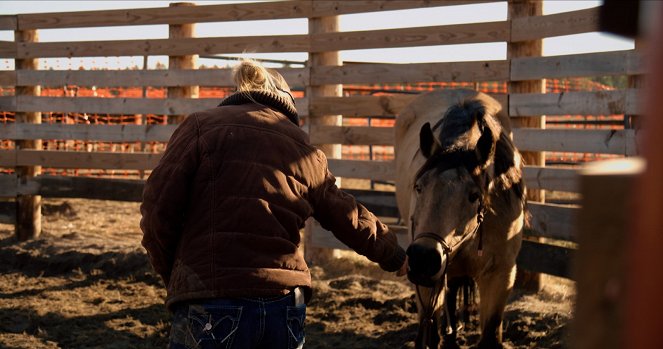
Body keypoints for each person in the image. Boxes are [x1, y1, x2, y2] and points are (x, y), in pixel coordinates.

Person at [140, 59, 407, 349]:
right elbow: (347, 214)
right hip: (284, 299)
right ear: (286, 104)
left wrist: (174, 274)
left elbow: (158, 208)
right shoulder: (303, 148)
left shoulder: (200, 127)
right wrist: (394, 254)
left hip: (212, 296)